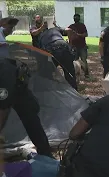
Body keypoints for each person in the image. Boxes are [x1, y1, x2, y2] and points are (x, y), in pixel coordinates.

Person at [0, 18, 53, 160]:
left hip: (11, 78)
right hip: (9, 76)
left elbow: (3, 109)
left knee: (29, 113)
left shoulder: (4, 72)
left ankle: (46, 155)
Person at [38, 25, 78, 90]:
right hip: (64, 46)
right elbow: (69, 30)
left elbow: (42, 52)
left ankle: (48, 91)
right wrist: (70, 44)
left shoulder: (41, 36)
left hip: (50, 49)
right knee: (70, 73)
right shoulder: (56, 29)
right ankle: (73, 92)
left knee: (47, 73)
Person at [68, 14, 90, 79]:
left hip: (82, 46)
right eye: (75, 17)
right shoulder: (71, 26)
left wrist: (78, 35)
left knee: (84, 61)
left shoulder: (82, 26)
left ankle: (86, 75)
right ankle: (75, 75)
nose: (76, 19)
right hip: (74, 47)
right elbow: (67, 33)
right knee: (75, 61)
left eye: (77, 17)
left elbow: (86, 34)